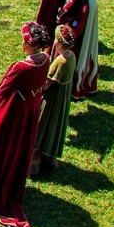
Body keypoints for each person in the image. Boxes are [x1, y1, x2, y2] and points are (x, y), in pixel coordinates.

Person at [0, 22, 51, 227]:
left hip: (12, 113)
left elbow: (2, 90)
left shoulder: (21, 67)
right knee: (18, 150)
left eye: (24, 41)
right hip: (30, 112)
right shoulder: (46, 59)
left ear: (29, 44)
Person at [32, 24, 76, 176]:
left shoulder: (60, 61)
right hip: (62, 98)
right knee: (54, 128)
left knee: (41, 127)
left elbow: (46, 84)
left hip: (52, 100)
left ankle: (34, 165)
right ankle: (49, 159)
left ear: (59, 42)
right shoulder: (71, 56)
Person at [64, 0, 99, 99]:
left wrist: (66, 28)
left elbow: (76, 30)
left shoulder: (86, 3)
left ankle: (74, 87)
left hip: (78, 40)